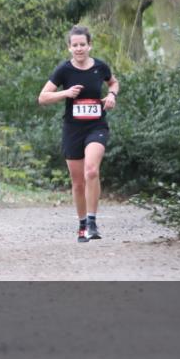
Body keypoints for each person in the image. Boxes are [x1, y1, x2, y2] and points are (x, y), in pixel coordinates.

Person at [37, 25, 120, 243]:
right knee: (78, 182)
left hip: (96, 127)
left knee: (91, 171)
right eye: (75, 45)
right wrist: (65, 93)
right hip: (73, 129)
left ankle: (92, 221)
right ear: (69, 48)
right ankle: (82, 224)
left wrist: (112, 95)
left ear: (89, 45)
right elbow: (43, 97)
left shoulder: (100, 67)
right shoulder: (63, 70)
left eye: (83, 44)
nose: (79, 48)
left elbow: (113, 82)